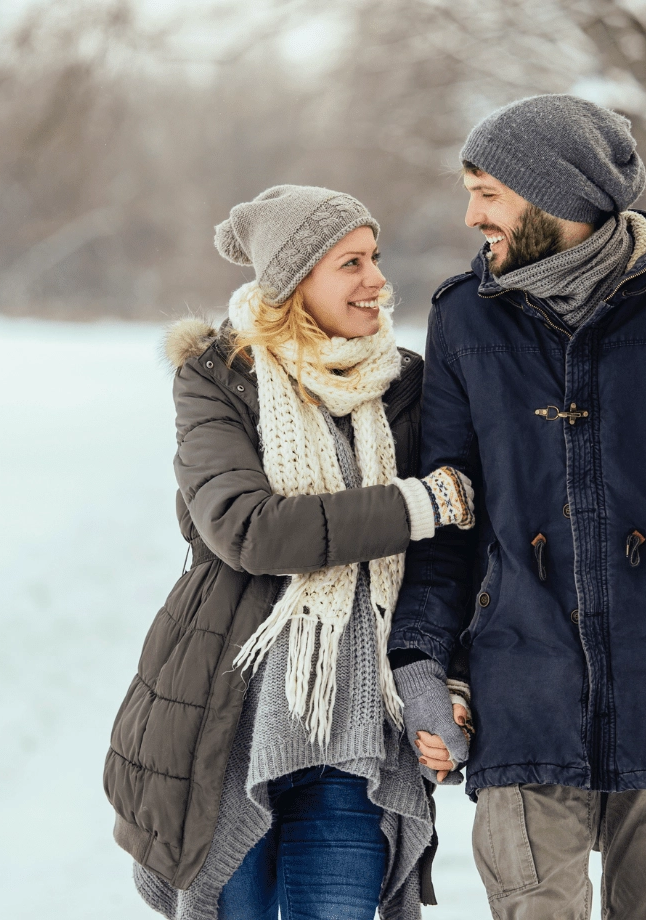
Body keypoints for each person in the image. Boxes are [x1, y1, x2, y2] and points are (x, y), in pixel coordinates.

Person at [388, 95, 646, 919]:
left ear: (555, 194)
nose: (471, 213)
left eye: (487, 191)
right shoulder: (464, 318)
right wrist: (420, 663)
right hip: (519, 678)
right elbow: (445, 517)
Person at [105, 185, 477, 920]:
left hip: (359, 738)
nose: (377, 280)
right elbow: (249, 530)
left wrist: (452, 685)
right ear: (295, 278)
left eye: (375, 258)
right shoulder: (217, 379)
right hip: (233, 725)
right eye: (351, 263)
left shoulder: (405, 386)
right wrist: (419, 504)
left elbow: (449, 564)